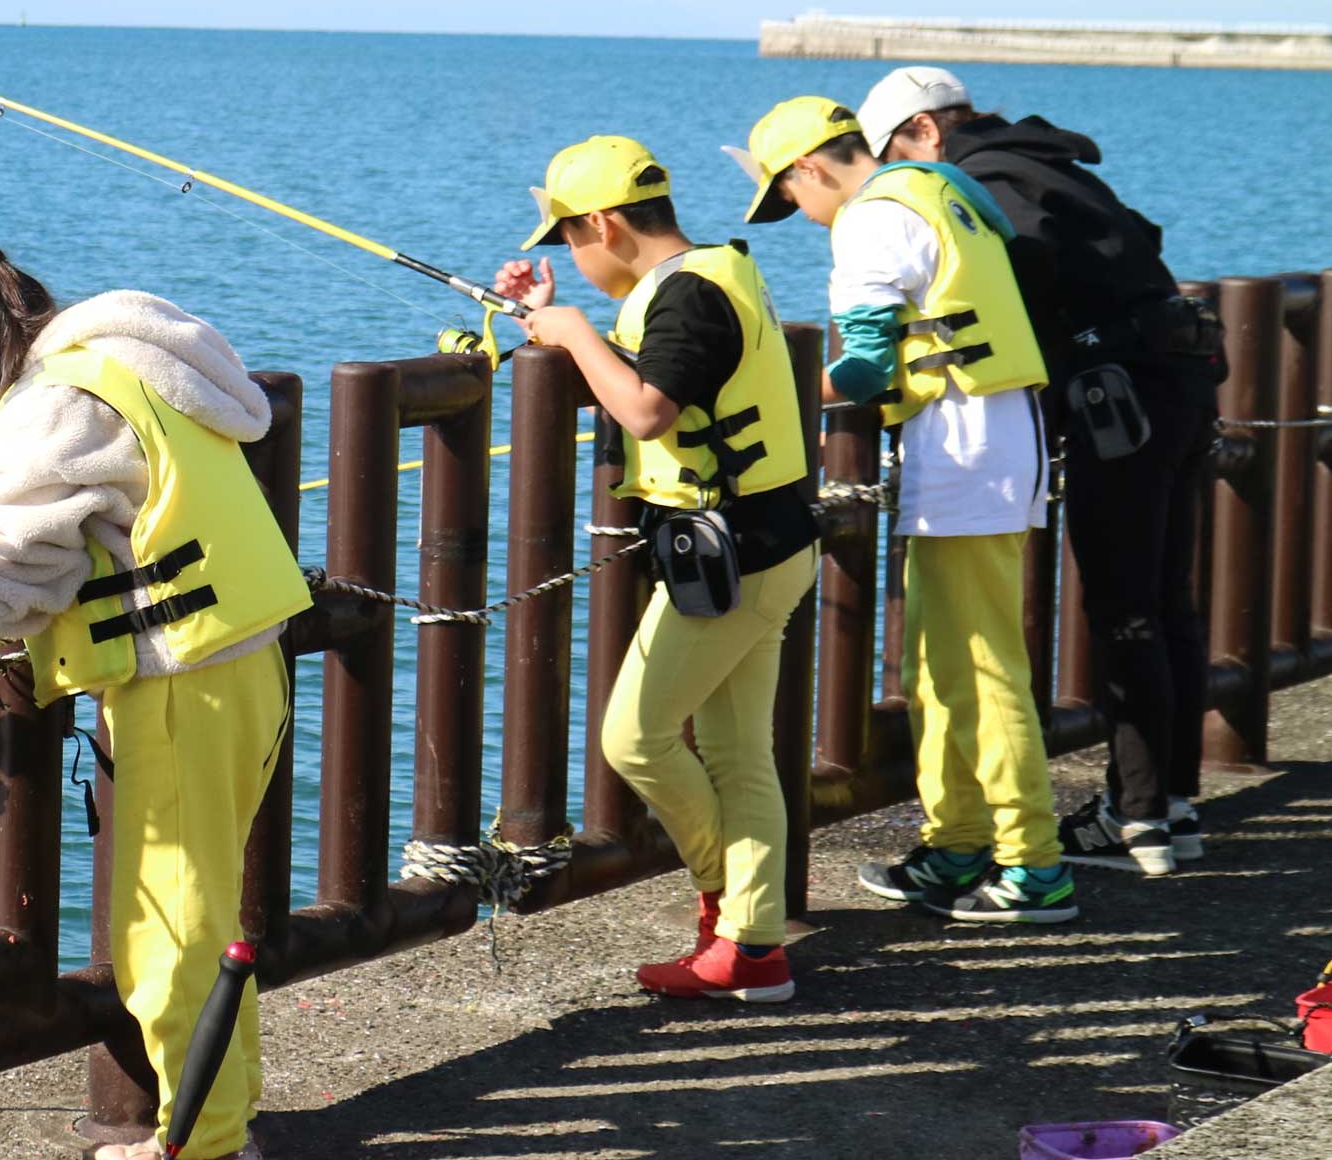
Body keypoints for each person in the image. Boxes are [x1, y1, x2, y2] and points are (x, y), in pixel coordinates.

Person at [0, 245, 308, 1160]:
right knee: (206, 915)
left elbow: (9, 583)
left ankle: (204, 1145)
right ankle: (222, 1116)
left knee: (163, 928)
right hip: (250, 658)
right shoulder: (139, 361)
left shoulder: (51, 404)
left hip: (177, 682)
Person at [858, 66, 1219, 876]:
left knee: (1126, 606)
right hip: (1179, 372)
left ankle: (1137, 820)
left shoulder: (980, 180)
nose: (896, 178)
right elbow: (1143, 240)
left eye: (893, 156)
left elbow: (1020, 273)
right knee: (1166, 599)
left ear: (924, 132)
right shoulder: (1049, 161)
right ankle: (1173, 805)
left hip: (1117, 397)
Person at [732, 97, 1080, 925]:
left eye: (789, 197)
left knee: (983, 663)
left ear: (809, 169)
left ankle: (1033, 865)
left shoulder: (869, 221)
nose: (801, 215)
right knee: (935, 663)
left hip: (968, 446)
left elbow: (860, 368)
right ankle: (957, 844)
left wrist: (760, 396)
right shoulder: (939, 188)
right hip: (984, 435)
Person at [494, 136, 818, 1003]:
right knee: (738, 750)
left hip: (738, 558)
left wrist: (568, 333)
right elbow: (661, 374)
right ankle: (755, 954)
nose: (567, 254)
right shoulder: (704, 278)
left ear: (601, 222)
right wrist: (572, 326)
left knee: (634, 738)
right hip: (765, 544)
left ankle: (727, 907)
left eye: (566, 238)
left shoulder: (689, 297)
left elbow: (644, 409)